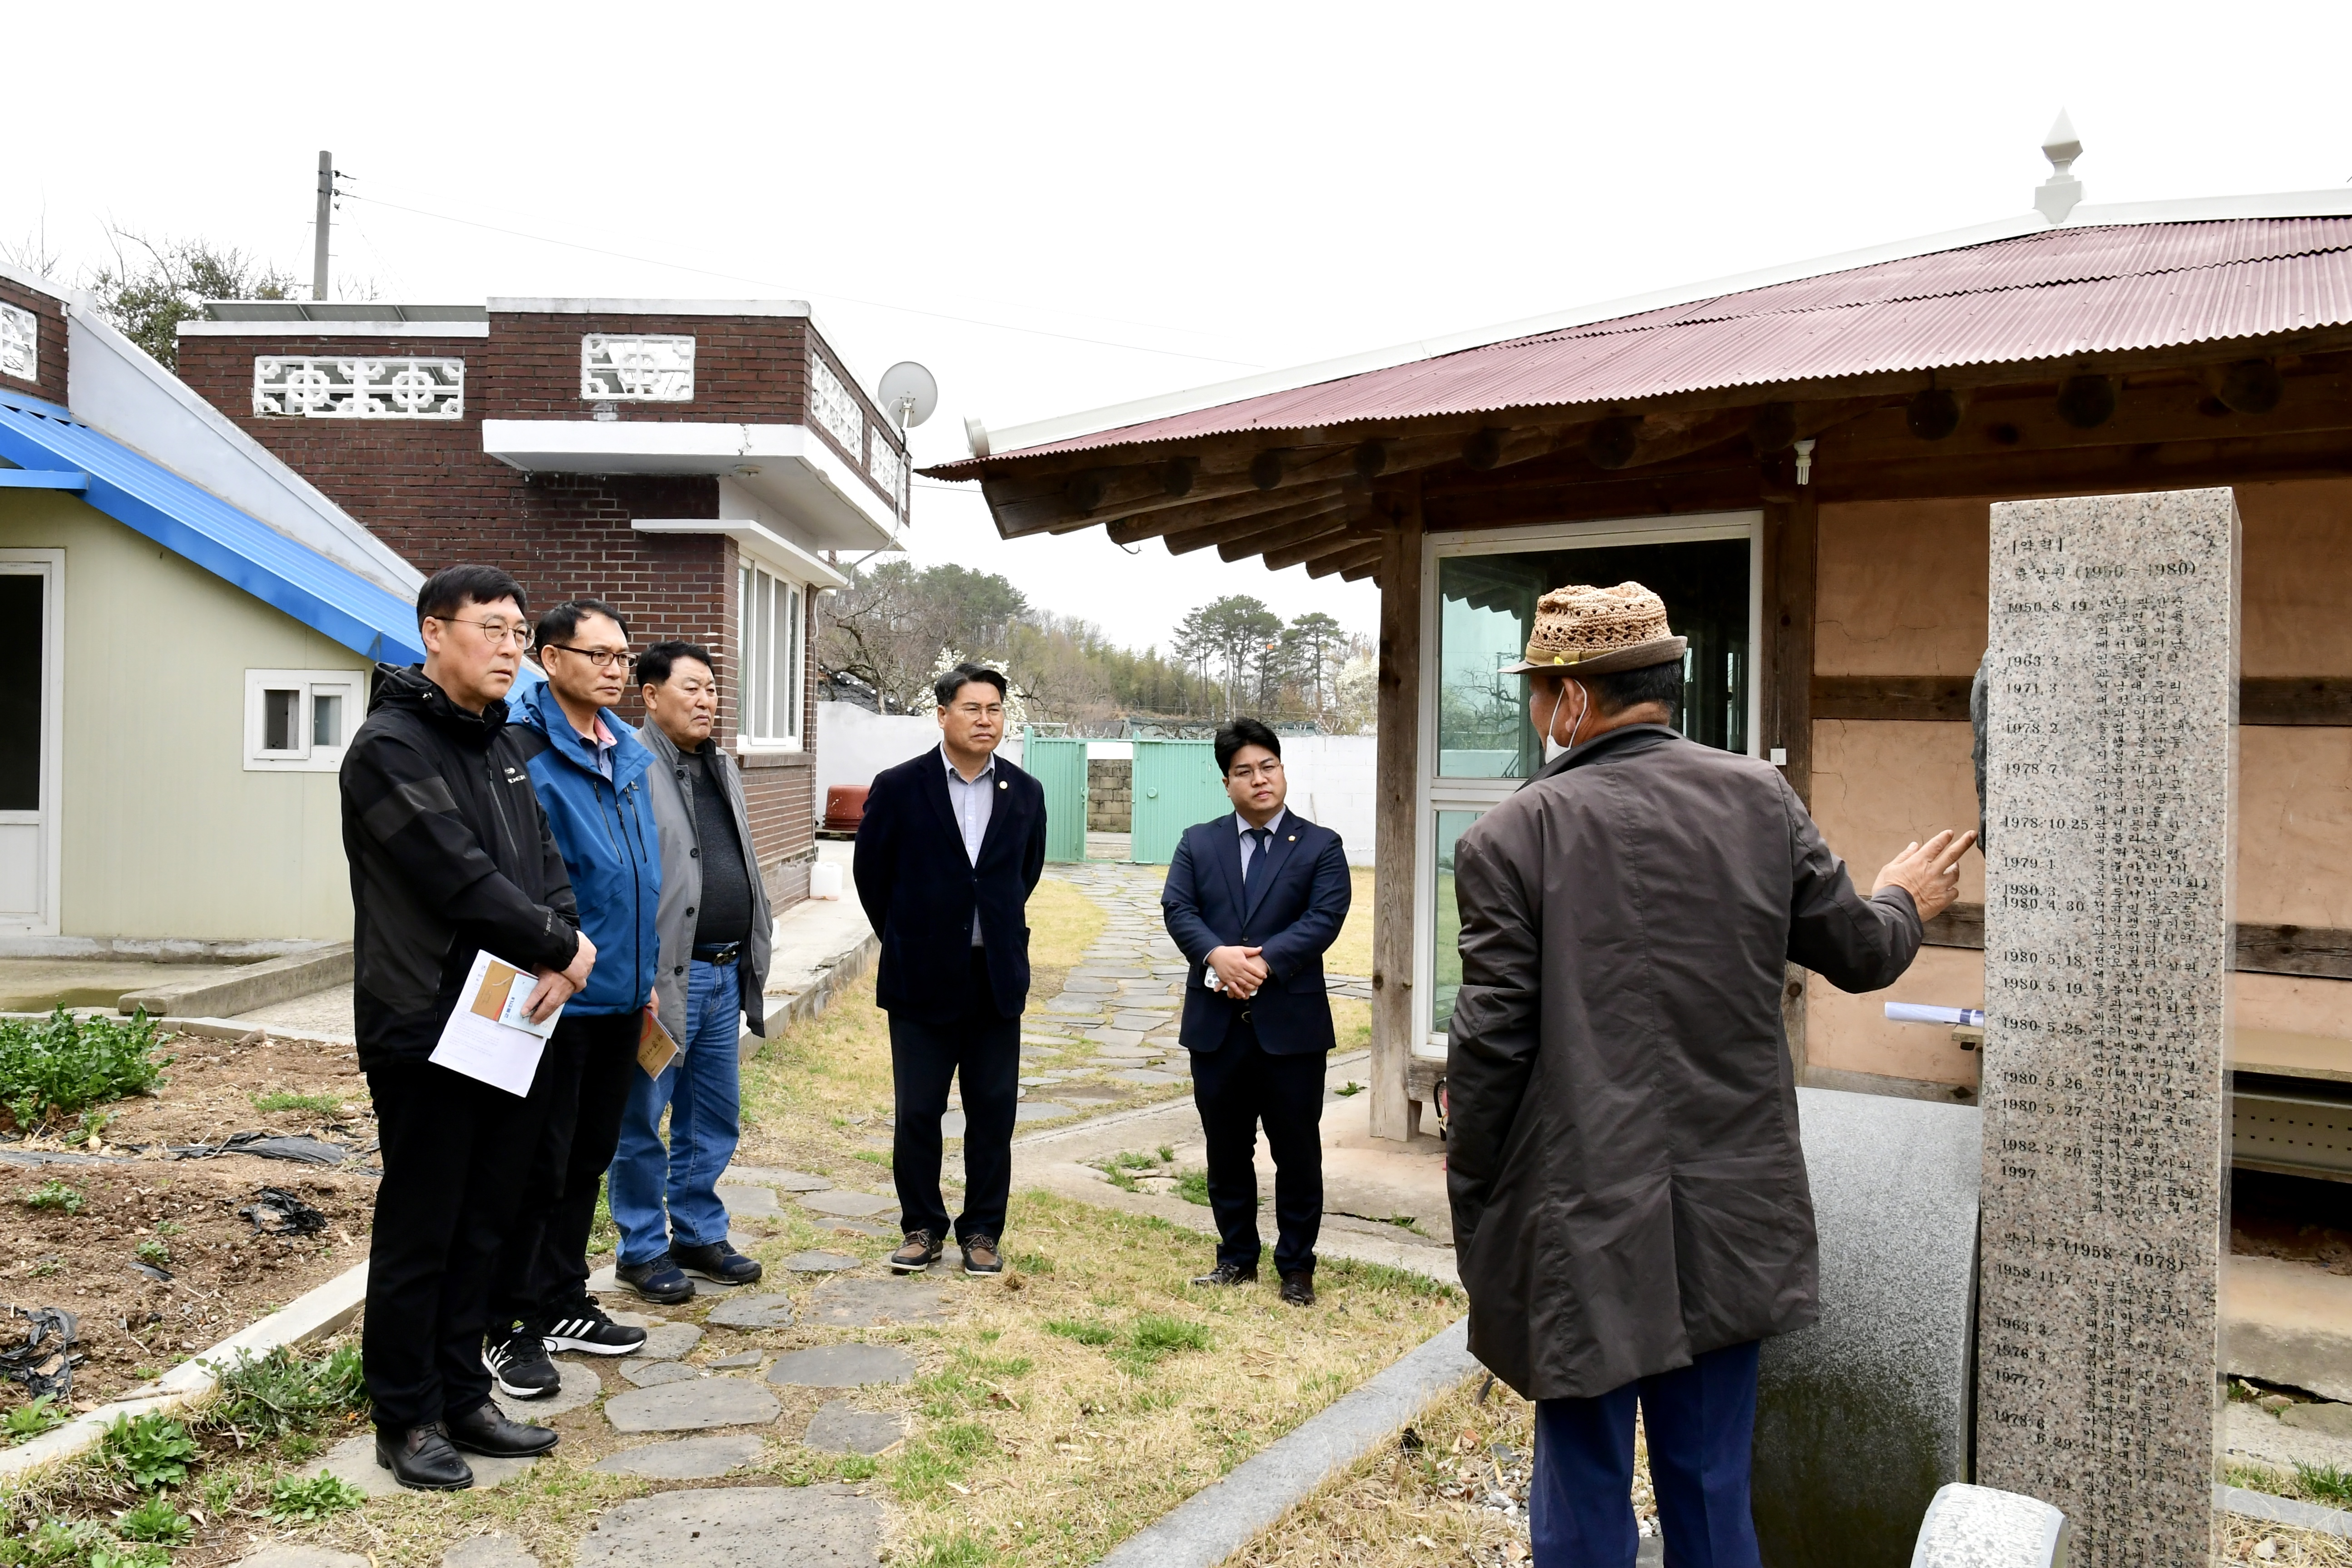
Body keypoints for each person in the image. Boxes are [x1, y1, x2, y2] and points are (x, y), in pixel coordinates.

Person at [1444, 581, 1974, 1568]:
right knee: (1710, 1487)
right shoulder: (1759, 799)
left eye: (1534, 688)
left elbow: (1486, 1059)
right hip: (1735, 1212)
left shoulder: (1509, 837)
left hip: (1581, 1221)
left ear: (1569, 696)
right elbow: (1859, 950)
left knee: (1583, 1497)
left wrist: (1479, 1218)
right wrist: (1905, 895)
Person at [339, 564, 596, 1490]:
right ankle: (403, 1415)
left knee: (487, 1220)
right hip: (425, 1022)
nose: (509, 646)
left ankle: (460, 1393)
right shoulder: (389, 746)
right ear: (432, 632)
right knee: (423, 1226)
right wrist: (562, 942)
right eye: (490, 628)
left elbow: (544, 864)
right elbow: (456, 876)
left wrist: (561, 939)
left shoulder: (502, 747)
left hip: (510, 1022)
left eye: (518, 631)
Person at [476, 600, 664, 1398]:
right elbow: (523, 880)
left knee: (587, 1159)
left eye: (624, 655)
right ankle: (506, 1321)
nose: (616, 669)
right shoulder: (521, 751)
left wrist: (643, 971)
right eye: (599, 655)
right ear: (549, 660)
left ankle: (559, 1298)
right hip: (552, 999)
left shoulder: (625, 751)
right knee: (532, 1167)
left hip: (620, 998)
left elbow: (634, 878)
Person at [853, 662, 1047, 1276]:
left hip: (995, 977)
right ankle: (921, 1226)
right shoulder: (899, 785)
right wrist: (912, 935)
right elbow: (872, 875)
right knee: (918, 1111)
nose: (986, 719)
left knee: (993, 1110)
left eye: (995, 709)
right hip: (920, 977)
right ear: (943, 715)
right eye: (973, 708)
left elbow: (1025, 875)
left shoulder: (1026, 791)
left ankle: (983, 1229)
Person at [1159, 717, 1351, 1306]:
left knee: (1297, 1150)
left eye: (1268, 766)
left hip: (1290, 1029)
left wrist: (1261, 964)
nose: (1259, 779)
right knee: (1226, 1148)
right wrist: (1216, 954)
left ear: (1283, 771)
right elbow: (1179, 907)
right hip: (1217, 1029)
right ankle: (1236, 1258)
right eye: (1244, 770)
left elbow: (1324, 918)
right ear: (1227, 783)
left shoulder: (1321, 845)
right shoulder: (1199, 841)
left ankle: (1296, 1265)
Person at [615, 640, 774, 1302]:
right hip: (664, 979)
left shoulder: (722, 766)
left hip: (722, 971)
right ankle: (642, 1247)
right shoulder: (628, 764)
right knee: (643, 1117)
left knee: (713, 1116)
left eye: (713, 688)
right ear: (650, 696)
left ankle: (698, 1232)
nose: (707, 699)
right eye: (692, 688)